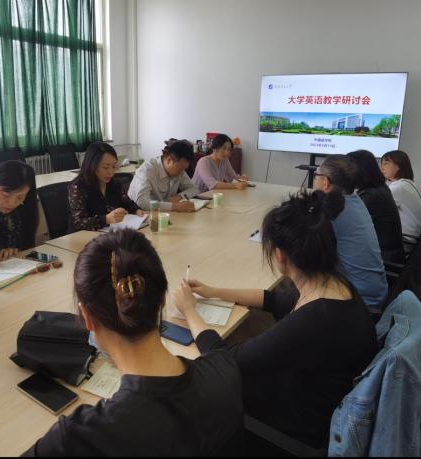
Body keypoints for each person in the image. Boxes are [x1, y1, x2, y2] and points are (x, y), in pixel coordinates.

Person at [171, 190, 378, 449]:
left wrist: (189, 311)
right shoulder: (330, 283)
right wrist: (214, 291)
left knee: (196, 385)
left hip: (298, 428)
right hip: (314, 391)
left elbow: (225, 361)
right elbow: (274, 300)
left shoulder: (315, 320)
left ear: (280, 255)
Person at [24, 229, 243, 456]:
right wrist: (189, 310)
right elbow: (215, 346)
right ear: (163, 299)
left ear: (87, 317)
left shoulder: (77, 438)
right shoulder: (225, 369)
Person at [313, 155, 388, 312]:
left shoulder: (334, 211)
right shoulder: (355, 200)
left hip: (359, 303)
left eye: (316, 175)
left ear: (325, 182)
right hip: (375, 293)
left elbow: (304, 249)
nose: (315, 180)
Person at [68, 142, 144, 231]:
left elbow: (127, 203)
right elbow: (79, 222)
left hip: (109, 233)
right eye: (105, 167)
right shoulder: (78, 187)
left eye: (113, 166)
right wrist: (106, 219)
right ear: (92, 166)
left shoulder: (114, 184)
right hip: (82, 236)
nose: (111, 172)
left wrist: (136, 210)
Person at [347, 150, 405, 263]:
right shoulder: (379, 188)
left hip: (382, 259)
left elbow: (349, 227)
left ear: (358, 171)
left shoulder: (371, 196)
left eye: (347, 170)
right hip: (387, 254)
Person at [127, 139, 200, 212]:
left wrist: (179, 196)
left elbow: (194, 189)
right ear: (169, 160)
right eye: (180, 168)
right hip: (139, 213)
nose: (181, 173)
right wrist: (175, 207)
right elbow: (143, 203)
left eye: (184, 169)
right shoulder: (147, 170)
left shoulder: (179, 170)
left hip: (163, 213)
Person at [380, 150, 421, 240]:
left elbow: (377, 210)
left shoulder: (398, 188)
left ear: (399, 166)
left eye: (386, 163)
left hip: (405, 239)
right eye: (382, 164)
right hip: (412, 236)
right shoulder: (407, 183)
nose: (382, 168)